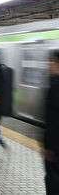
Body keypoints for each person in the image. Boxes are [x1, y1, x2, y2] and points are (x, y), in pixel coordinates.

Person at [44, 51, 59, 194]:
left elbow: (53, 119)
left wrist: (49, 147)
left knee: (53, 181)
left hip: (55, 147)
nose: (48, 66)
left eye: (50, 63)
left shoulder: (55, 85)